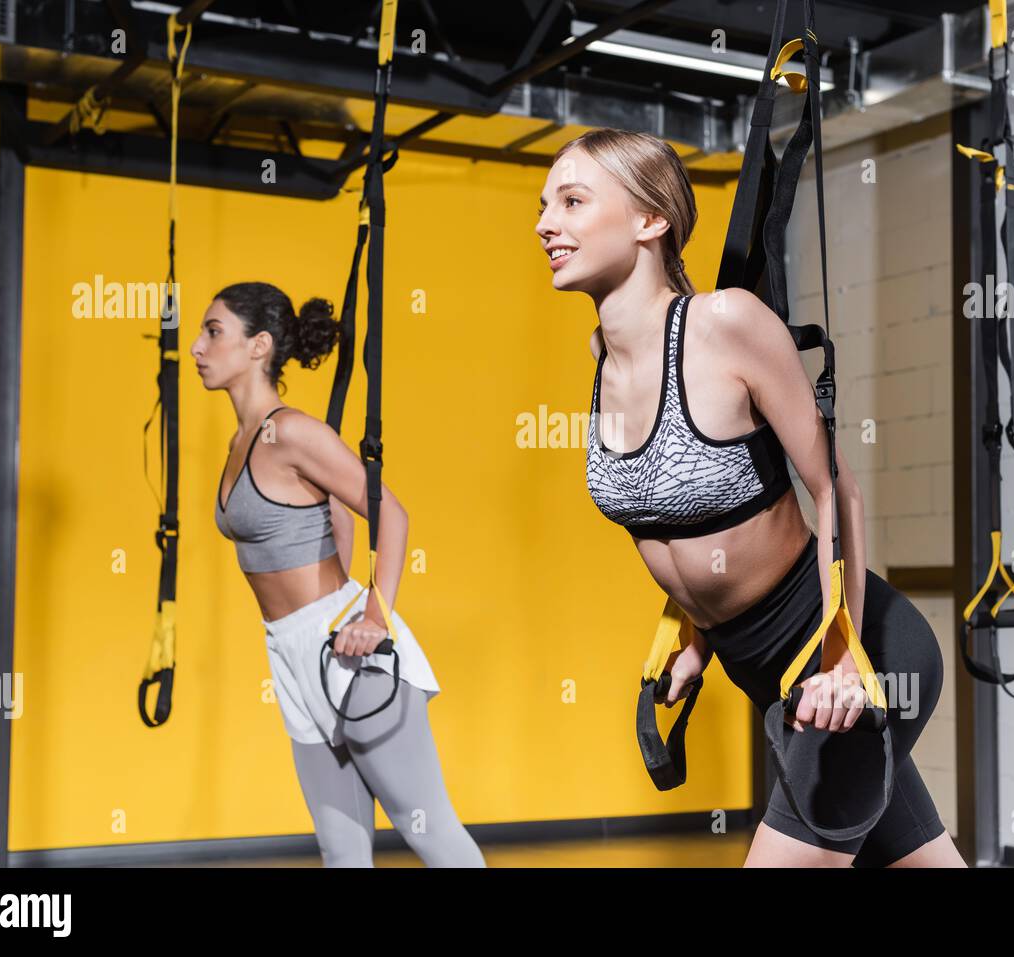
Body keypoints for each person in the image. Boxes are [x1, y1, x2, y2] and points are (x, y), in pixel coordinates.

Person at [536, 129, 966, 867]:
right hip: (761, 668)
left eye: (573, 201)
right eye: (545, 203)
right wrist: (694, 638)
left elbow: (838, 491)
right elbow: (679, 513)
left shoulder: (726, 324)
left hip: (853, 654)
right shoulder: (601, 358)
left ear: (650, 221)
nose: (545, 222)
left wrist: (842, 657)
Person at [191, 281, 484, 868]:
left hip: (352, 657)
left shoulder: (294, 431)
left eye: (213, 331)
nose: (196, 346)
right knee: (341, 851)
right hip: (293, 656)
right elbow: (335, 521)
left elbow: (390, 513)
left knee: (427, 830)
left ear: (259, 346)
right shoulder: (241, 441)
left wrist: (373, 615)